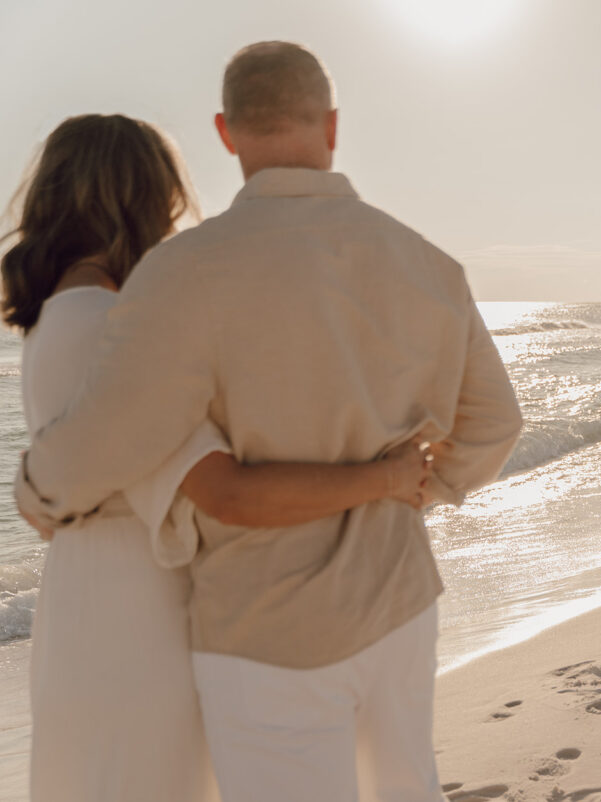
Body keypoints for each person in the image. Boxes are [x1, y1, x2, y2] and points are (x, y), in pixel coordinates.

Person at [15, 41, 522, 802]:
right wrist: (416, 486)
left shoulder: (183, 275)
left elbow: (114, 446)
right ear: (334, 125)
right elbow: (493, 423)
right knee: (405, 785)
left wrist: (36, 493)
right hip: (400, 594)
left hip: (265, 619)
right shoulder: (427, 261)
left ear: (226, 132)